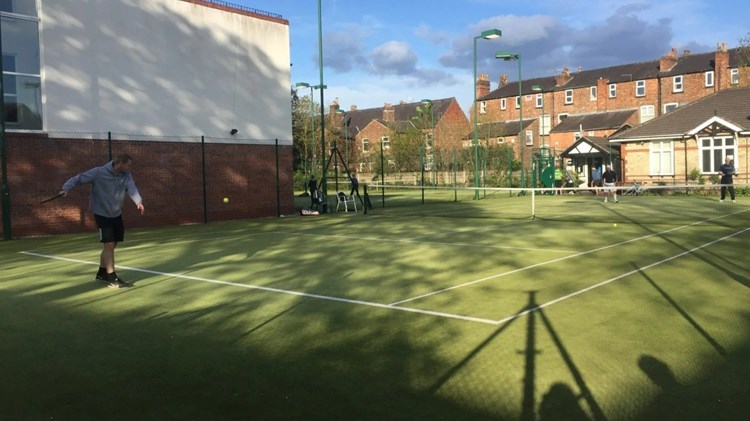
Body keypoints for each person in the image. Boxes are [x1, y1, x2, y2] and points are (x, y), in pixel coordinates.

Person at [60, 154, 144, 288]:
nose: (129, 168)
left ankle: (101, 272)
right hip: (102, 213)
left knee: (112, 245)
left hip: (116, 213)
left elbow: (131, 187)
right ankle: (112, 278)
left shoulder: (126, 174)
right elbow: (78, 178)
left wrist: (138, 201)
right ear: (119, 163)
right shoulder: (98, 172)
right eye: (128, 165)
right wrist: (65, 189)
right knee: (109, 245)